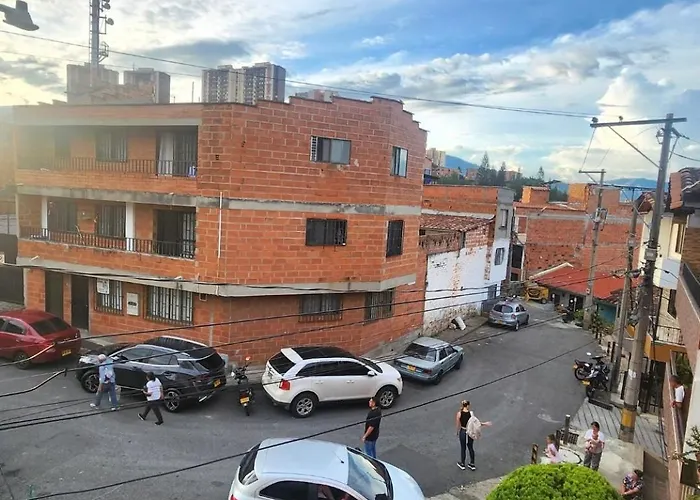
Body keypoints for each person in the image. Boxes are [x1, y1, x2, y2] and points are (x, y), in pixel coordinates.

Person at [455, 400, 492, 471]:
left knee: (463, 448)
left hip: (463, 431)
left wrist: (457, 432)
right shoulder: (471, 413)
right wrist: (485, 424)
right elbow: (476, 423)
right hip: (470, 432)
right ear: (468, 405)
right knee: (470, 447)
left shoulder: (459, 414)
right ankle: (472, 464)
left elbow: (458, 424)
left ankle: (462, 464)